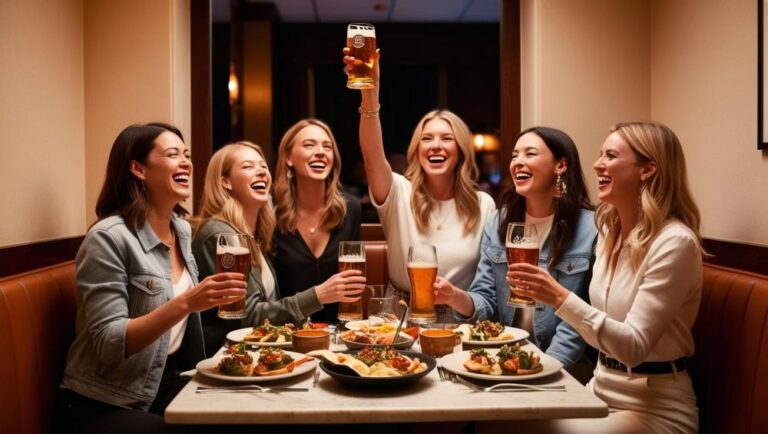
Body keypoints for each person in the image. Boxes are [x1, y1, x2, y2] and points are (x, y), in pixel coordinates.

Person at [502, 121, 703, 433]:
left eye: (610, 156)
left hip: (654, 406)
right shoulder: (609, 232)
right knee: (503, 418)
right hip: (599, 390)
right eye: (600, 155)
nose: (597, 164)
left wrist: (558, 297)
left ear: (646, 170)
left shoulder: (674, 242)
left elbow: (633, 347)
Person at [54, 123, 246, 434]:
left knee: (248, 411)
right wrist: (186, 303)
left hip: (165, 383)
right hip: (106, 399)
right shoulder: (108, 238)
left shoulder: (181, 230)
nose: (186, 161)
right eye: (173, 155)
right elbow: (109, 341)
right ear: (138, 169)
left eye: (186, 154)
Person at [343, 49, 496, 320]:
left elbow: (488, 284)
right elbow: (373, 159)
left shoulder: (483, 204)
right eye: (427, 139)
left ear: (461, 150)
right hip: (396, 317)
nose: (436, 145)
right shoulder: (399, 191)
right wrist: (370, 93)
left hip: (457, 318)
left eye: (446, 138)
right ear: (417, 149)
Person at [434, 127, 597, 375]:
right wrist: (454, 296)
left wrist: (543, 368)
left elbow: (579, 319)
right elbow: (486, 302)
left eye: (530, 154)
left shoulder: (590, 228)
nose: (518, 162)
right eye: (514, 156)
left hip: (565, 367)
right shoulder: (499, 222)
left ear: (560, 165)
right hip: (505, 358)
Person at [192, 141, 365, 355]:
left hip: (260, 355)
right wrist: (318, 295)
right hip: (228, 361)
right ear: (225, 182)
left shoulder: (257, 236)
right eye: (248, 166)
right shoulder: (222, 236)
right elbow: (246, 318)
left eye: (263, 166)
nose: (261, 172)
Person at [272, 119, 366, 323]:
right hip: (284, 336)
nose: (321, 151)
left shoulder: (350, 209)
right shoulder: (271, 212)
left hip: (340, 336)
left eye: (327, 146)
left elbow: (354, 287)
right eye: (309, 145)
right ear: (288, 157)